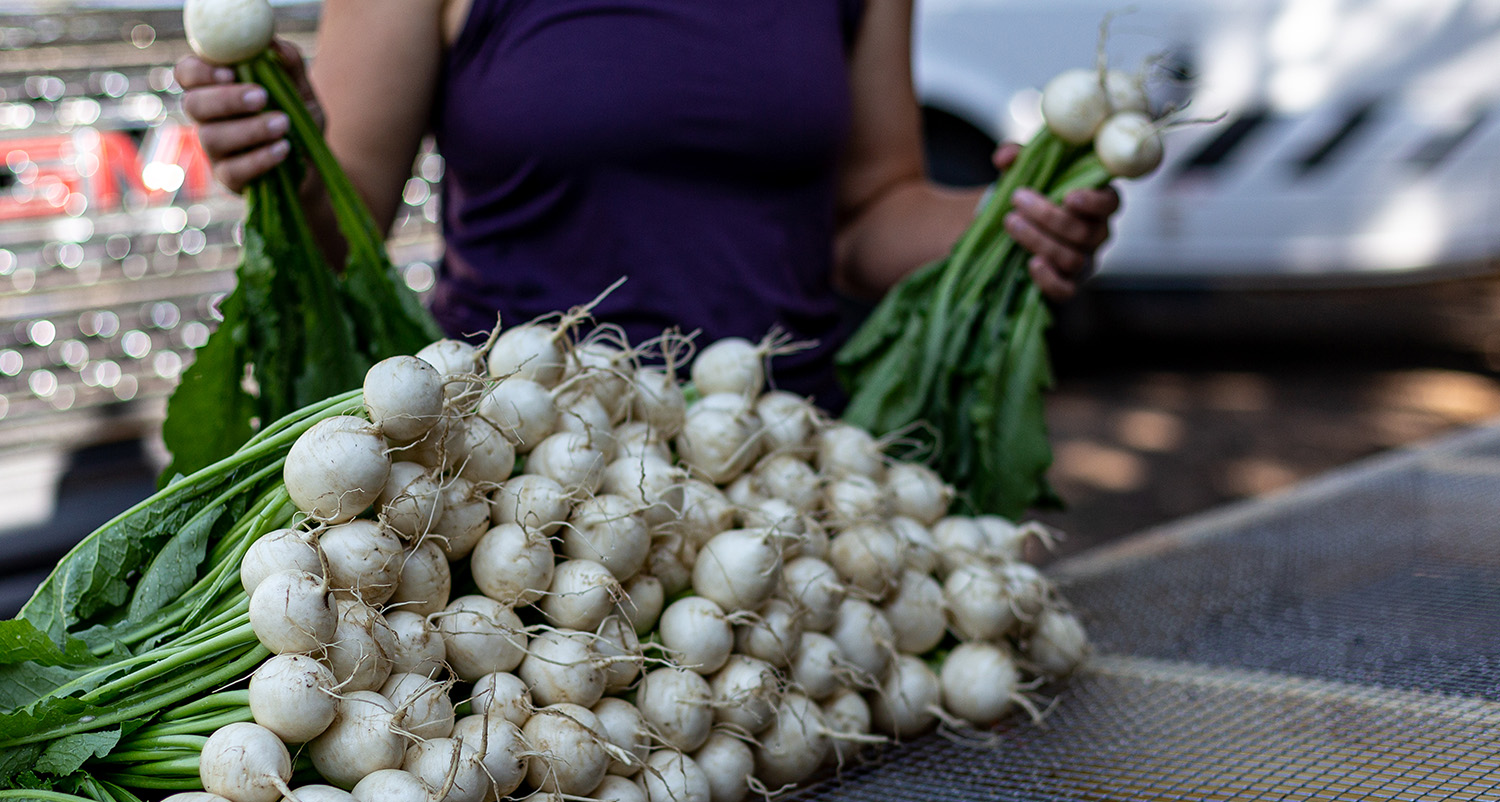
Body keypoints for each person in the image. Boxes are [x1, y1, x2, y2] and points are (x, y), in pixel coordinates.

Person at [175, 0, 1119, 408]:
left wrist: (1007, 225)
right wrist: (279, 158)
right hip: (516, 501)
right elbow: (344, 238)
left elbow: (869, 215)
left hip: (779, 472)